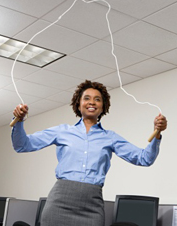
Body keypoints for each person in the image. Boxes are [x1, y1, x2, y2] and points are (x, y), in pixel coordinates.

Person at [11, 80, 167, 226]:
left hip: (92, 206)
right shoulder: (62, 131)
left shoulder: (110, 137)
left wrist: (157, 133)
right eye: (87, 98)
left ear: (103, 106)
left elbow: (144, 159)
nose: (92, 102)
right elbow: (22, 145)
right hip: (59, 203)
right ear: (78, 104)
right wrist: (18, 121)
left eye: (97, 99)